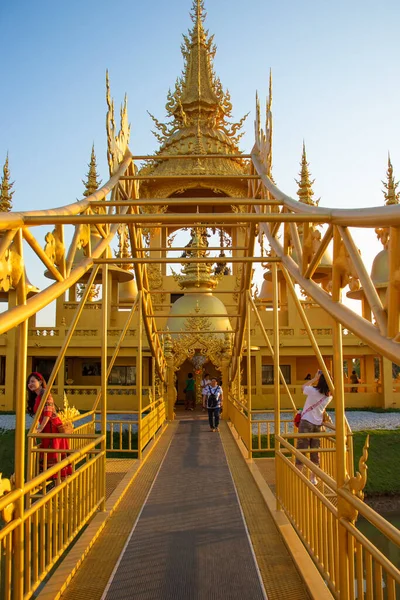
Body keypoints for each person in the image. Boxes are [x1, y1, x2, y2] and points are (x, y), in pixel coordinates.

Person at [27, 372, 72, 481]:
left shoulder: (46, 394)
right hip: (46, 427)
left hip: (52, 428)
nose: (30, 384)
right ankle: (53, 479)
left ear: (40, 382)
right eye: (29, 382)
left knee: (53, 452)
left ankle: (56, 480)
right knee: (49, 452)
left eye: (33, 381)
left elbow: (47, 414)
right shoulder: (38, 396)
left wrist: (40, 428)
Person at [296, 370, 332, 485]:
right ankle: (313, 478)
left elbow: (303, 387)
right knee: (315, 451)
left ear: (320, 381)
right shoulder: (328, 398)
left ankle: (299, 476)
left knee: (302, 449)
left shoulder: (312, 391)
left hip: (306, 422)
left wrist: (314, 378)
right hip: (318, 425)